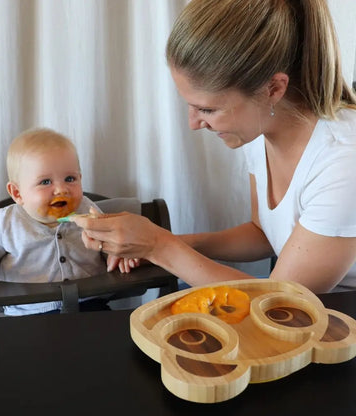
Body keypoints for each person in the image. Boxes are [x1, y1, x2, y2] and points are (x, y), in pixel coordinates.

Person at [70, 0, 356, 294]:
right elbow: (264, 233)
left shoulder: (343, 162)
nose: (194, 123)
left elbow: (282, 303)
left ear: (273, 89)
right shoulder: (259, 127)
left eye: (207, 109)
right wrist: (163, 243)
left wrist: (159, 246)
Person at [0, 127, 135, 315]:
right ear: (17, 193)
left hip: (90, 304)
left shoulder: (86, 208)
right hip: (28, 312)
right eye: (45, 182)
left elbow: (107, 240)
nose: (61, 189)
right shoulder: (6, 223)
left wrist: (118, 255)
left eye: (70, 178)